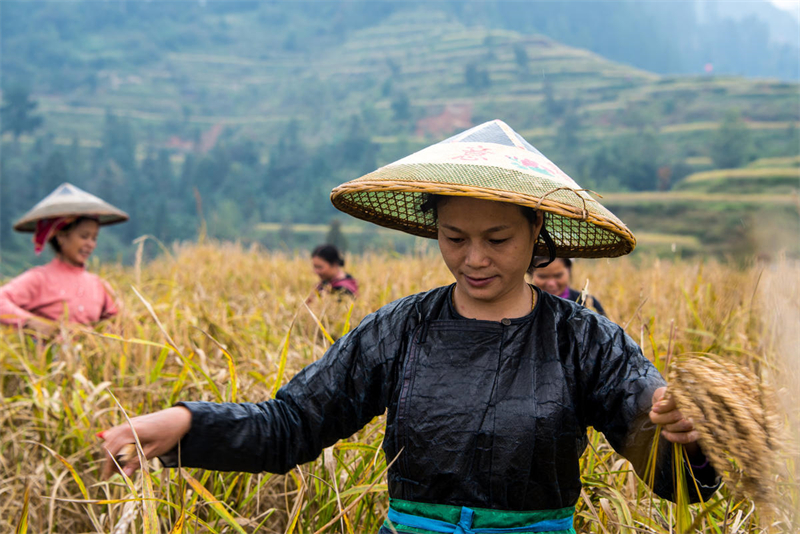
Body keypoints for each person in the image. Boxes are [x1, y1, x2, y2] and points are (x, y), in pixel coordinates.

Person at [100, 121, 718, 534]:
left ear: (539, 234)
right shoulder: (400, 330)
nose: (474, 258)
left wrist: (683, 436)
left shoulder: (587, 341)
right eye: (455, 238)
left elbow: (677, 478)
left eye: (498, 239)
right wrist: (186, 425)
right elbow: (291, 426)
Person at [0, 183, 128, 338]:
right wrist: (31, 323)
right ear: (61, 237)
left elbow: (120, 323)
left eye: (94, 238)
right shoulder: (39, 279)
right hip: (49, 360)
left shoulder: (99, 285)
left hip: (87, 360)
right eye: (84, 236)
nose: (91, 244)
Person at [530, 257, 606, 316]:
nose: (551, 283)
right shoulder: (526, 306)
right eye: (543, 277)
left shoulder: (588, 303)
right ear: (531, 274)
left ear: (568, 271)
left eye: (558, 276)